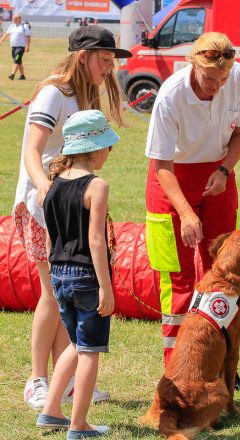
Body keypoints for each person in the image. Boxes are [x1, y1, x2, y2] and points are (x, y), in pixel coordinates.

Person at [12, 25, 131, 410]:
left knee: (68, 295)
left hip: (68, 203)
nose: (109, 69)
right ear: (84, 57)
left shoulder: (84, 94)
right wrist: (47, 190)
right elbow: (32, 150)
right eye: (105, 60)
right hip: (44, 205)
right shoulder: (54, 93)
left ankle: (68, 381)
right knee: (53, 292)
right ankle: (37, 381)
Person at [145, 31, 240, 365]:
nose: (218, 86)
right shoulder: (170, 95)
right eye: (211, 78)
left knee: (226, 271)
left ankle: (221, 359)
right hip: (172, 180)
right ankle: (177, 364)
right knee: (178, 276)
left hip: (217, 176)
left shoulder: (239, 78)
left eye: (223, 78)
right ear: (192, 64)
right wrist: (185, 212)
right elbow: (161, 164)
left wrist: (224, 170)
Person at [36, 109, 119, 438]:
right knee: (90, 351)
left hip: (59, 274)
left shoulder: (54, 184)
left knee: (75, 342)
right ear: (98, 148)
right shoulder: (96, 186)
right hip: (87, 276)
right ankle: (78, 424)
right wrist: (106, 287)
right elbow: (96, 241)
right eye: (108, 148)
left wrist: (57, 271)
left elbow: (49, 237)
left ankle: (51, 411)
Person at [0, 14, 31, 80]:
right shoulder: (12, 26)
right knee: (18, 62)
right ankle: (22, 76)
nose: (13, 20)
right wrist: (1, 40)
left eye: (15, 18)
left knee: (16, 60)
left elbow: (28, 37)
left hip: (21, 47)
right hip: (13, 47)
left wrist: (27, 46)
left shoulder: (24, 26)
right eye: (13, 18)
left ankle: (12, 75)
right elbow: (7, 34)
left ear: (19, 19)